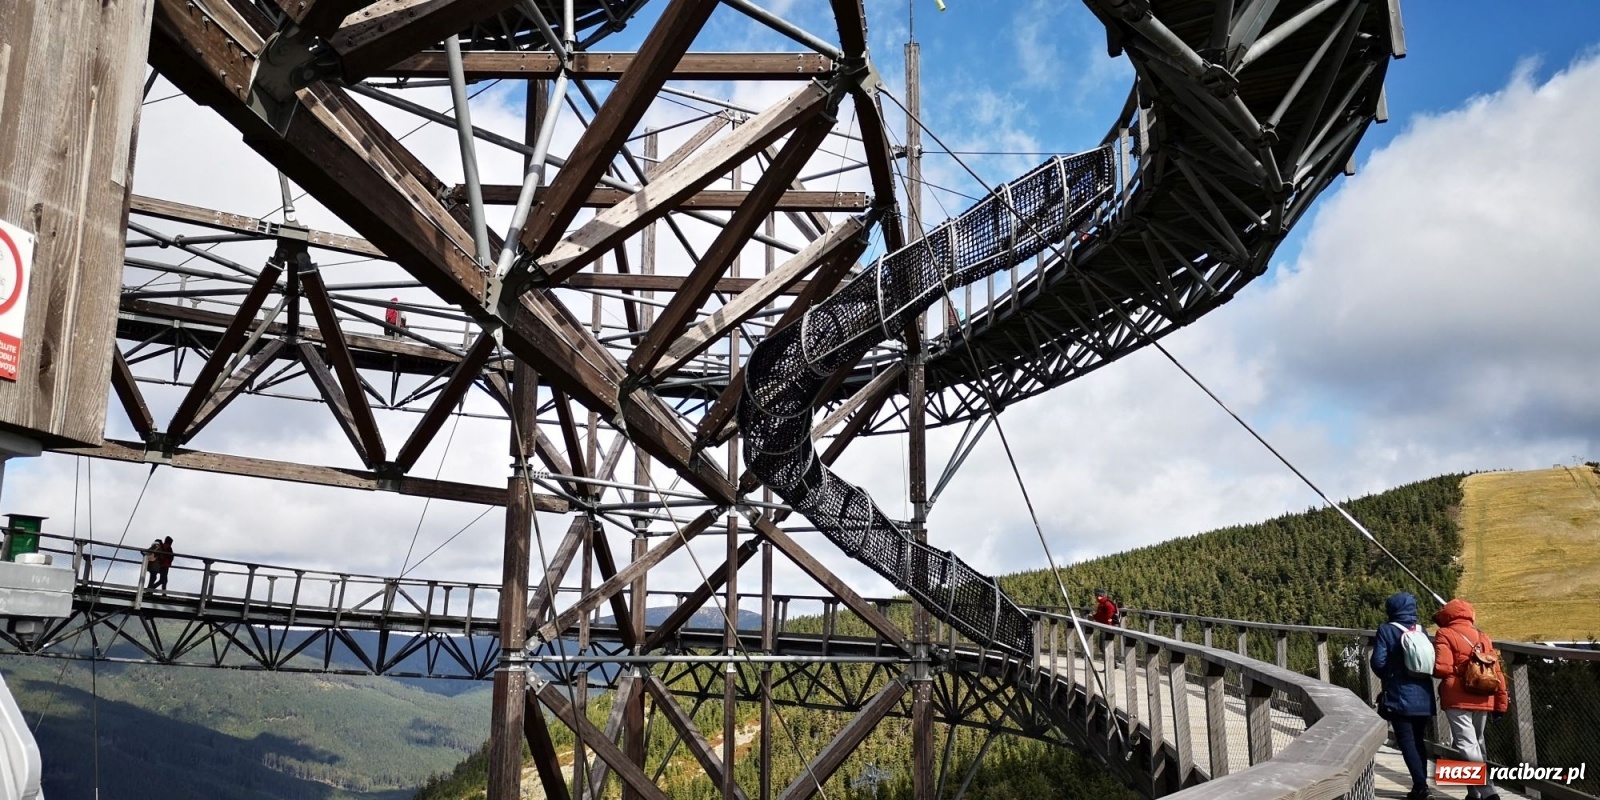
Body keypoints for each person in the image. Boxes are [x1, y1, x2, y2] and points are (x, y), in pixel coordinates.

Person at [1433, 598, 1509, 800]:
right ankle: (1474, 793)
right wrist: (1501, 703)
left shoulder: (1445, 633)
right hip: (1483, 695)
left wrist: (1455, 669)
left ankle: (1488, 792)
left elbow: (1442, 667)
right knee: (1477, 743)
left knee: (1467, 745)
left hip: (1457, 697)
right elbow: (1496, 671)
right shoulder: (1483, 637)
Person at [1371, 592, 1437, 800]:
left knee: (1406, 740)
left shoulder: (1386, 630)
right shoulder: (1421, 630)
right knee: (1419, 740)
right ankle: (1421, 784)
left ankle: (1421, 787)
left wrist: (1390, 676)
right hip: (1424, 695)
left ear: (1391, 610)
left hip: (1400, 696)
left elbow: (1377, 662)